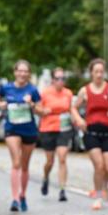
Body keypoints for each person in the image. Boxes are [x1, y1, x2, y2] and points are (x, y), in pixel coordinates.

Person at [72, 59, 108, 210]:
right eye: (96, 72)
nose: (99, 75)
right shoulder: (84, 91)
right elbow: (74, 108)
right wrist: (79, 119)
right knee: (99, 166)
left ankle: (105, 184)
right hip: (91, 133)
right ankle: (99, 196)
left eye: (102, 71)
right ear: (91, 73)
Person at [0, 60, 41, 212]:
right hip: (12, 128)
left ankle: (23, 195)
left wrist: (32, 104)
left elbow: (41, 110)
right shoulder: (6, 88)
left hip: (29, 130)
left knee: (25, 165)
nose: (22, 74)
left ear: (29, 74)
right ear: (15, 72)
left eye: (25, 71)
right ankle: (14, 199)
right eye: (20, 71)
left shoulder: (33, 90)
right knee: (16, 162)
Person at [36, 67, 75, 202]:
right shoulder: (45, 93)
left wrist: (76, 119)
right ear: (52, 80)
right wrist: (42, 111)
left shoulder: (68, 93)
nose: (61, 81)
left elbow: (71, 109)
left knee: (62, 158)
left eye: (63, 78)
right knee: (50, 161)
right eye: (58, 78)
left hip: (64, 129)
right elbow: (37, 108)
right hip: (48, 128)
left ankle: (62, 190)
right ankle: (46, 177)